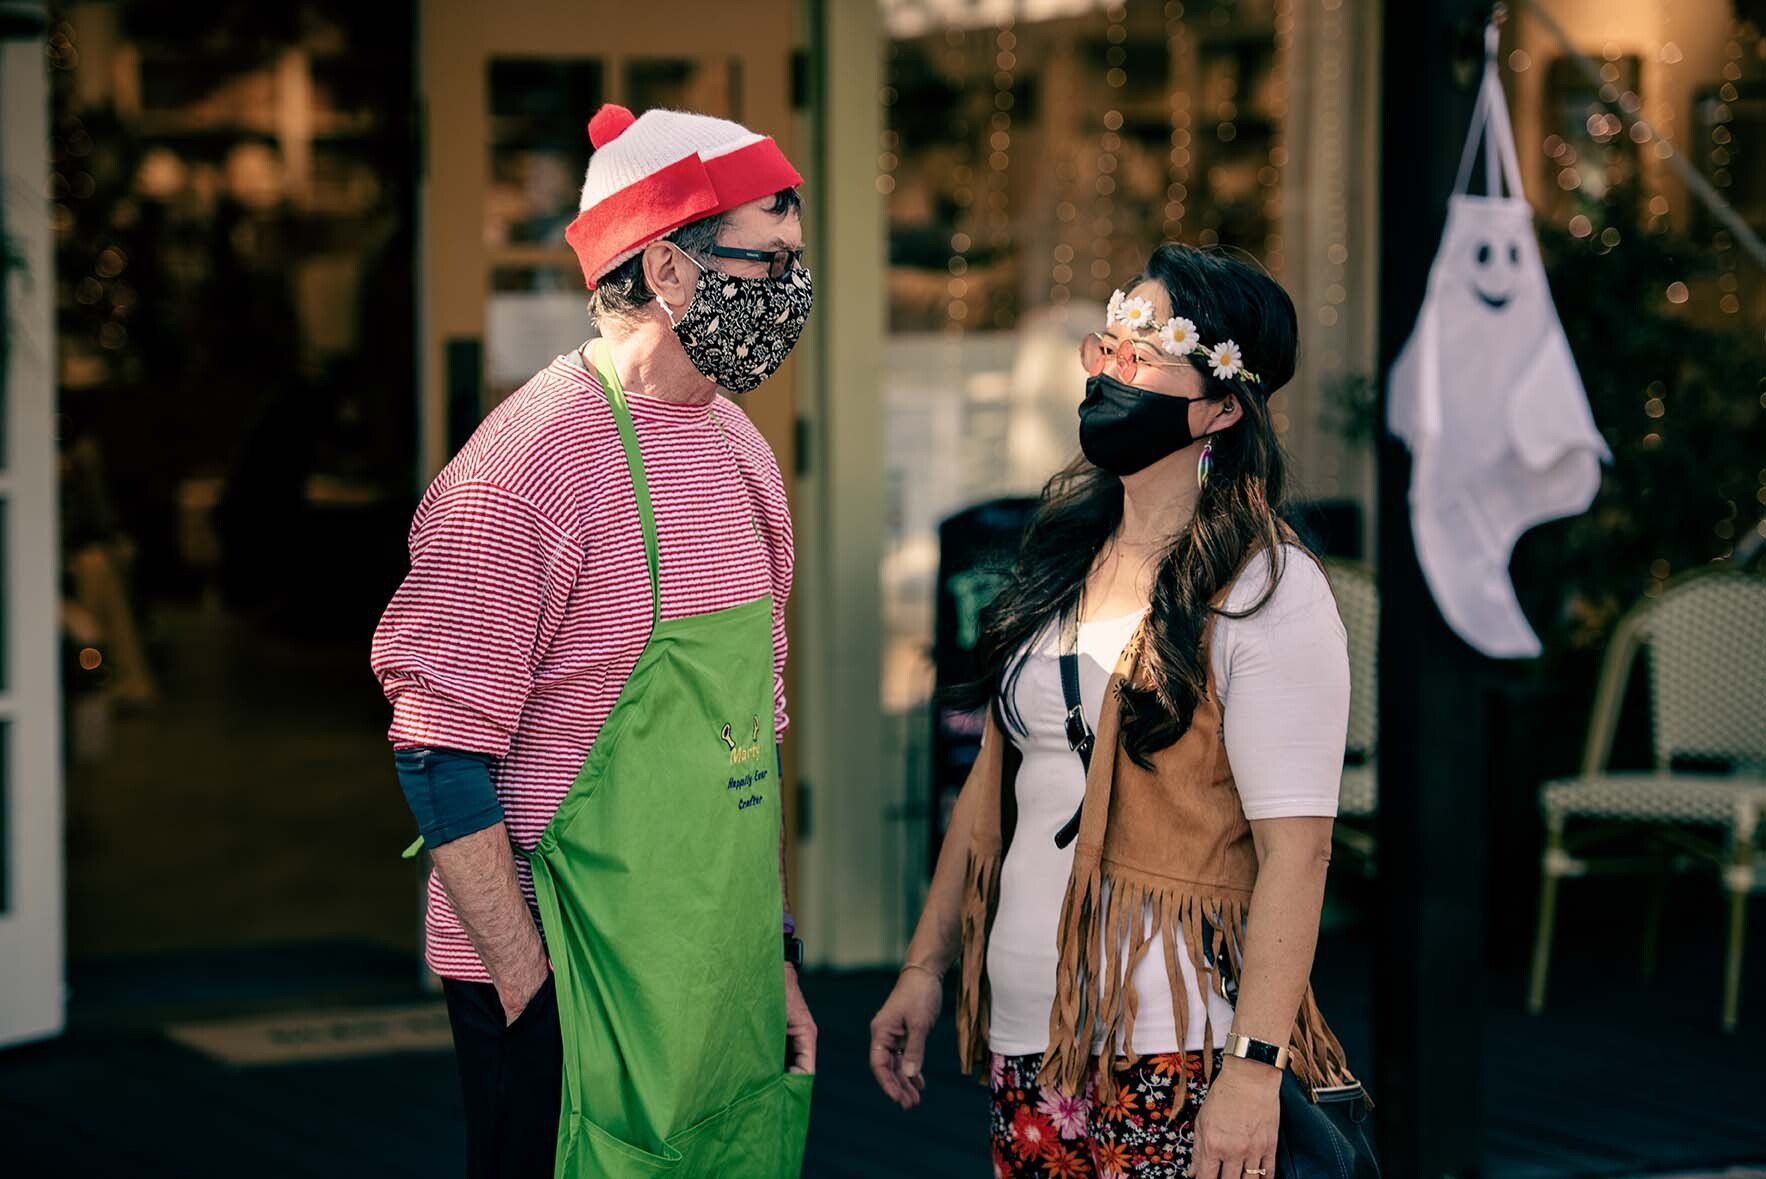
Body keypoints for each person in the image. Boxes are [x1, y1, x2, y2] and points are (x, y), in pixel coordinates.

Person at [372, 104, 815, 1179]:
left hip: (715, 964)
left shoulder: (737, 447)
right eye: (773, 261)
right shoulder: (522, 472)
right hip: (571, 977)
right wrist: (534, 999)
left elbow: (743, 737)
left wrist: (777, 961)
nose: (795, 292)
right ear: (668, 266)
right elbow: (438, 753)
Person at [870, 244, 1363, 1179]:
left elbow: (1299, 849)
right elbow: (995, 781)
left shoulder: (1266, 587)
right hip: (1034, 1038)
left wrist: (1254, 1071)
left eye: (1144, 352)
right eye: (1107, 344)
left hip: (1177, 1045)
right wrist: (925, 968)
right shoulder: (1064, 554)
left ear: (1222, 403)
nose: (1108, 371)